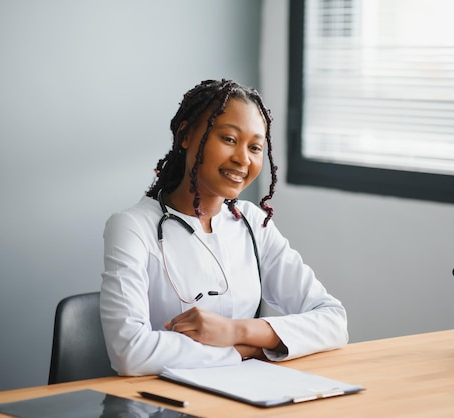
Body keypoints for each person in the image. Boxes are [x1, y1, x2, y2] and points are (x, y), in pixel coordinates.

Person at [100, 79, 348, 376]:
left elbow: (334, 322)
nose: (243, 159)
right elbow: (129, 353)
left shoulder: (253, 223)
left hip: (245, 398)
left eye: (255, 147)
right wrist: (242, 352)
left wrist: (235, 331)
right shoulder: (132, 227)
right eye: (229, 139)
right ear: (185, 136)